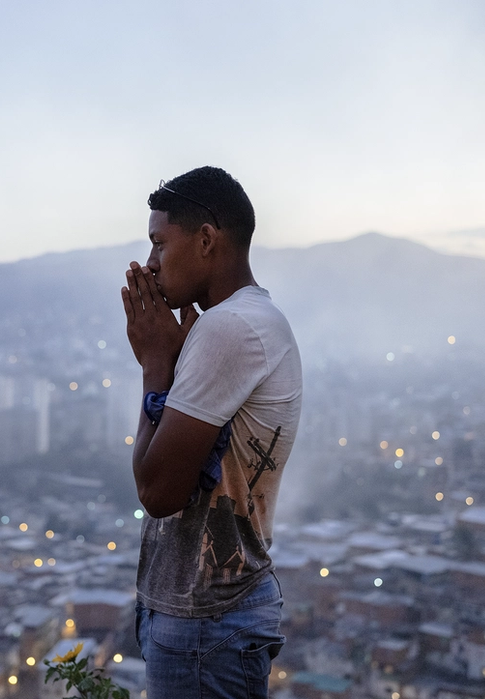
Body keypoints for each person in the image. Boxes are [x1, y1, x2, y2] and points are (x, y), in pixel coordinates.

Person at [121, 166, 303, 699]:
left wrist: (156, 365)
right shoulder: (246, 322)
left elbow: (157, 492)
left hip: (208, 625)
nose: (150, 264)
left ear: (205, 239)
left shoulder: (229, 328)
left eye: (159, 243)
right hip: (210, 619)